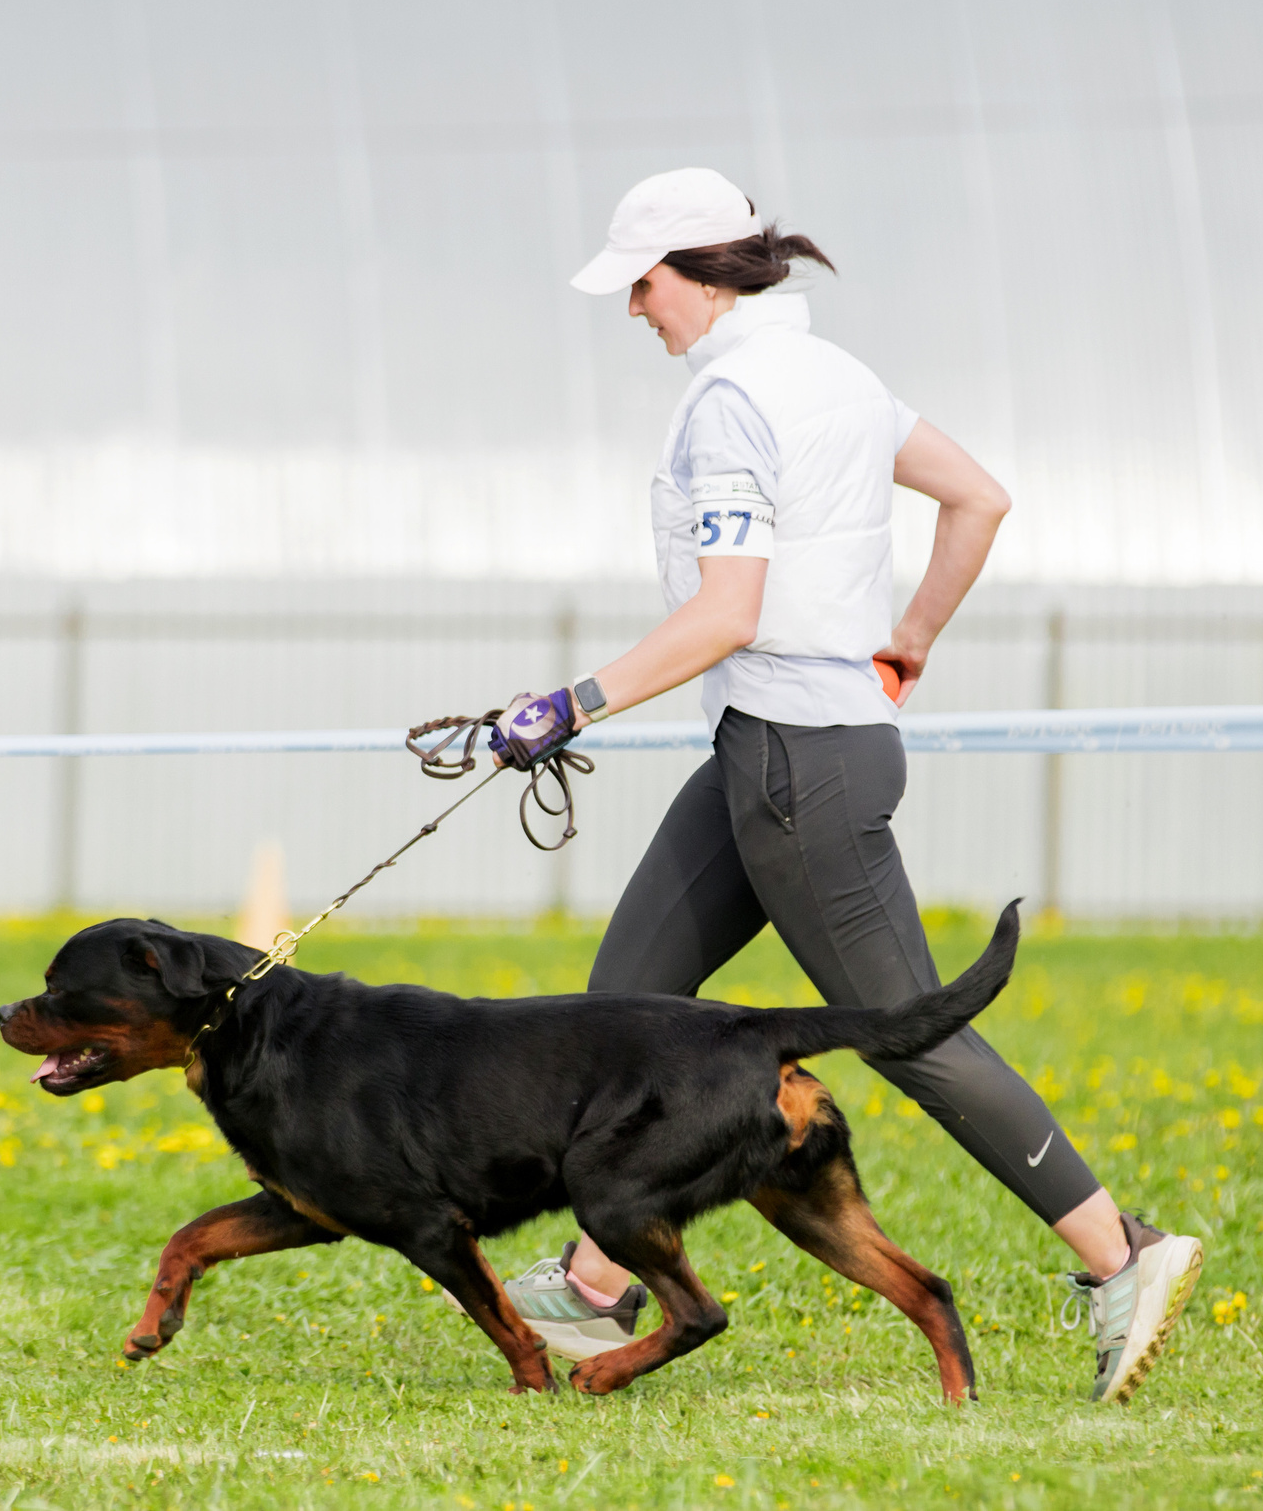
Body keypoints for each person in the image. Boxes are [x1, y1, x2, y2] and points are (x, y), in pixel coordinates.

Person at [470, 168, 1202, 1404]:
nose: (633, 311)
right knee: (624, 1000)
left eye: (639, 285)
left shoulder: (732, 402)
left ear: (695, 274)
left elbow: (727, 613)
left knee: (909, 1027)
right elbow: (979, 498)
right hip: (783, 745)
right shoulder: (838, 378)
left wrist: (567, 705)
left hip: (797, 763)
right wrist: (910, 634)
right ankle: (596, 1285)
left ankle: (1120, 1252)